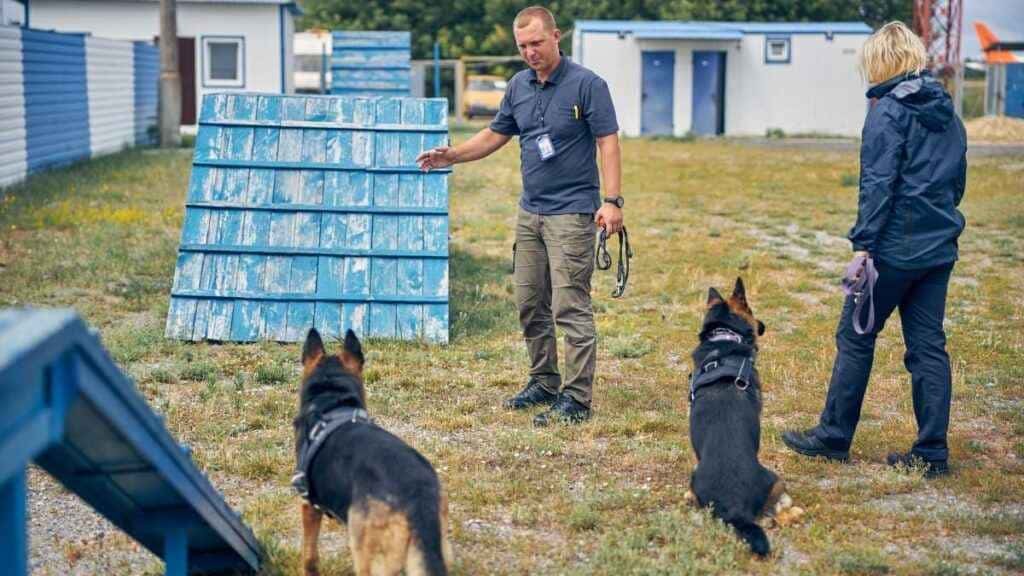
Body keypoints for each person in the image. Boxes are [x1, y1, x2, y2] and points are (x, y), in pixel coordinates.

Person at [416, 5, 622, 426]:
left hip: (572, 213)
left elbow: (608, 142)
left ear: (556, 37)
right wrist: (452, 154)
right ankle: (544, 381)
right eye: (523, 46)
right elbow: (496, 133)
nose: (530, 52)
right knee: (530, 302)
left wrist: (612, 201)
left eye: (536, 43)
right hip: (531, 212)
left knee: (570, 305)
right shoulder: (518, 86)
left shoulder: (588, 85)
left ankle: (577, 399)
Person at [781, 22, 967, 478]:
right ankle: (932, 453)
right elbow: (957, 179)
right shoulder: (947, 110)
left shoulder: (888, 111)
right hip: (939, 248)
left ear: (883, 61)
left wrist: (864, 245)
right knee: (928, 347)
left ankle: (833, 436)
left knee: (855, 337)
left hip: (893, 250)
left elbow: (878, 184)